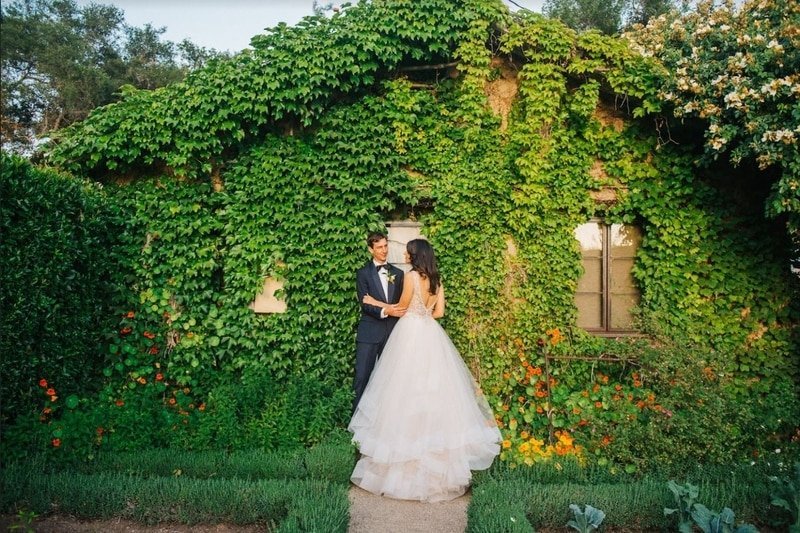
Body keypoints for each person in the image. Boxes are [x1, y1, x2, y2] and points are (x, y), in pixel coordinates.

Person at [348, 238, 501, 502]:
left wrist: (376, 301)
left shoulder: (410, 278)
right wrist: (423, 314)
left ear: (416, 256)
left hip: (409, 335)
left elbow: (403, 308)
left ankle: (402, 462)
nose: (405, 255)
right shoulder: (437, 280)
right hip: (431, 334)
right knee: (433, 394)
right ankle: (437, 467)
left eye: (408, 253)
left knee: (402, 394)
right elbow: (439, 313)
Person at [353, 232, 406, 413]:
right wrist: (386, 310)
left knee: (391, 380)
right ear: (371, 250)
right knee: (362, 377)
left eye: (385, 246)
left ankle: (387, 420)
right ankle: (356, 422)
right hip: (369, 332)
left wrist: (391, 310)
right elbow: (365, 303)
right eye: (379, 247)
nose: (384, 251)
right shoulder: (362, 274)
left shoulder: (398, 274)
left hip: (393, 332)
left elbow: (401, 304)